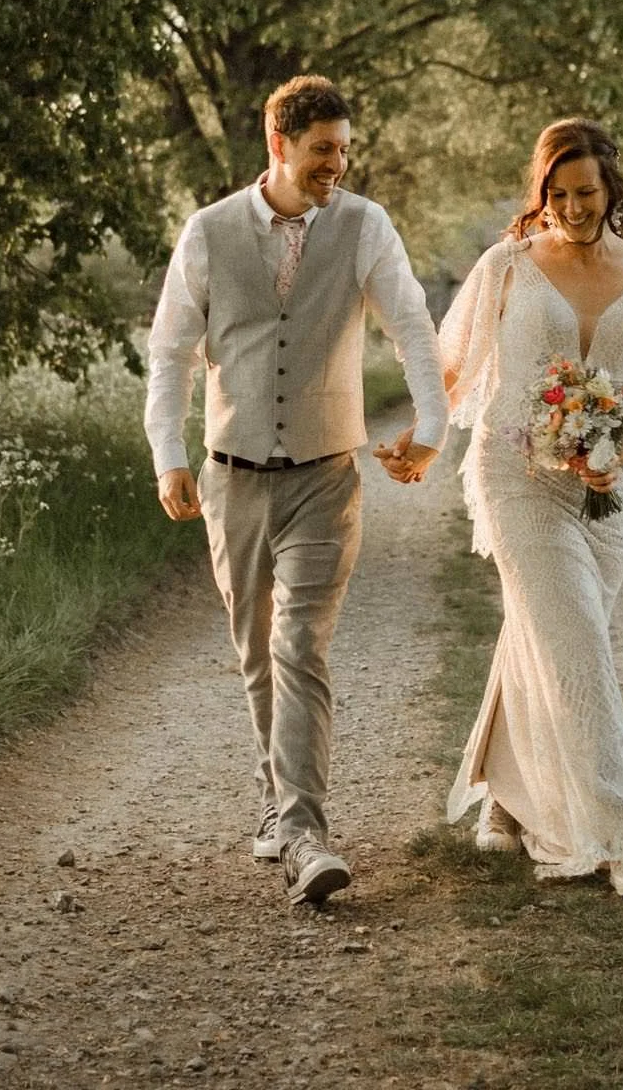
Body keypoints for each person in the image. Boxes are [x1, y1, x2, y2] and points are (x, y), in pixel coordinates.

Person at [145, 74, 449, 905]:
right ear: (277, 146)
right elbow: (170, 352)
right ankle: (278, 806)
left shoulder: (363, 225)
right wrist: (166, 453)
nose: (337, 165)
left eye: (344, 150)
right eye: (322, 150)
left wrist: (433, 423)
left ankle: (304, 832)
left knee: (298, 646)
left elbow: (411, 324)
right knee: (255, 656)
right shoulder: (207, 233)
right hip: (230, 476)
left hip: (326, 475)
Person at [380, 117, 623, 898]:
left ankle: (504, 804)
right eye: (557, 194)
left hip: (605, 493)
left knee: (548, 637)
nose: (573, 208)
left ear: (611, 189)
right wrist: (421, 439)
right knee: (575, 642)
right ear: (540, 192)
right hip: (514, 477)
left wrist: (611, 455)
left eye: (587, 192)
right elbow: (451, 366)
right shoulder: (507, 266)